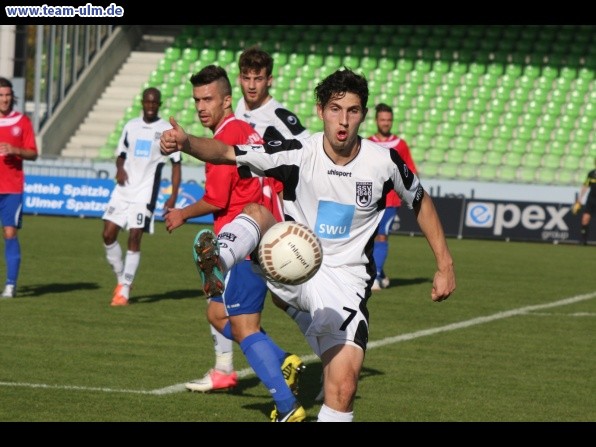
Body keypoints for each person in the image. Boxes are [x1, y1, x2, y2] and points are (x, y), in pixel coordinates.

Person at [160, 67, 456, 422]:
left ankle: (299, 350)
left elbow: (420, 200)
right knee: (259, 211)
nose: (343, 120)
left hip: (344, 284)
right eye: (335, 109)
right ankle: (219, 258)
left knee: (342, 388)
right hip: (289, 265)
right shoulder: (298, 151)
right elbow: (227, 151)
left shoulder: (384, 162)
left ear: (363, 114)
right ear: (320, 111)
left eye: (352, 110)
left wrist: (445, 264)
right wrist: (187, 142)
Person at [162, 65, 305, 421]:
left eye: (208, 98)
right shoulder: (245, 129)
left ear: (228, 100)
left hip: (240, 240)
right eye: (197, 100)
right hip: (266, 234)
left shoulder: (224, 141)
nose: (200, 106)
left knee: (242, 326)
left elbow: (217, 197)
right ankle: (279, 360)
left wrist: (181, 213)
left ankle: (287, 399)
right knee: (218, 313)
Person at [102, 87, 181, 306]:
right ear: (142, 103)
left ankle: (124, 290)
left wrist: (173, 195)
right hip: (123, 189)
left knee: (135, 236)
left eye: (154, 103)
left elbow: (176, 165)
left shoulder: (166, 130)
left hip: (145, 193)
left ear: (159, 105)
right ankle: (121, 278)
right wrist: (119, 168)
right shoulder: (131, 126)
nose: (150, 106)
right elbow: (121, 155)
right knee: (108, 235)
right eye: (147, 102)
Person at [368, 103, 418, 291]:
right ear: (376, 121)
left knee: (381, 236)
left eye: (389, 120)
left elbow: (410, 170)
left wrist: (411, 194)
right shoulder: (368, 143)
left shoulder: (400, 145)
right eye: (382, 119)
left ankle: (375, 276)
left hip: (390, 200)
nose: (386, 123)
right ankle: (379, 273)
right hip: (371, 199)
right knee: (369, 238)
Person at [0, 77, 38, 299]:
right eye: (1, 96)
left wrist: (15, 149)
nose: (4, 99)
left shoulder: (21, 121)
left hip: (12, 189)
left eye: (7, 95)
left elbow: (33, 152)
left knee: (10, 233)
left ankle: (10, 285)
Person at [572, 157, 596, 246]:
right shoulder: (591, 173)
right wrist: (580, 198)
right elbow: (585, 186)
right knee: (585, 219)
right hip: (591, 199)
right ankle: (583, 241)